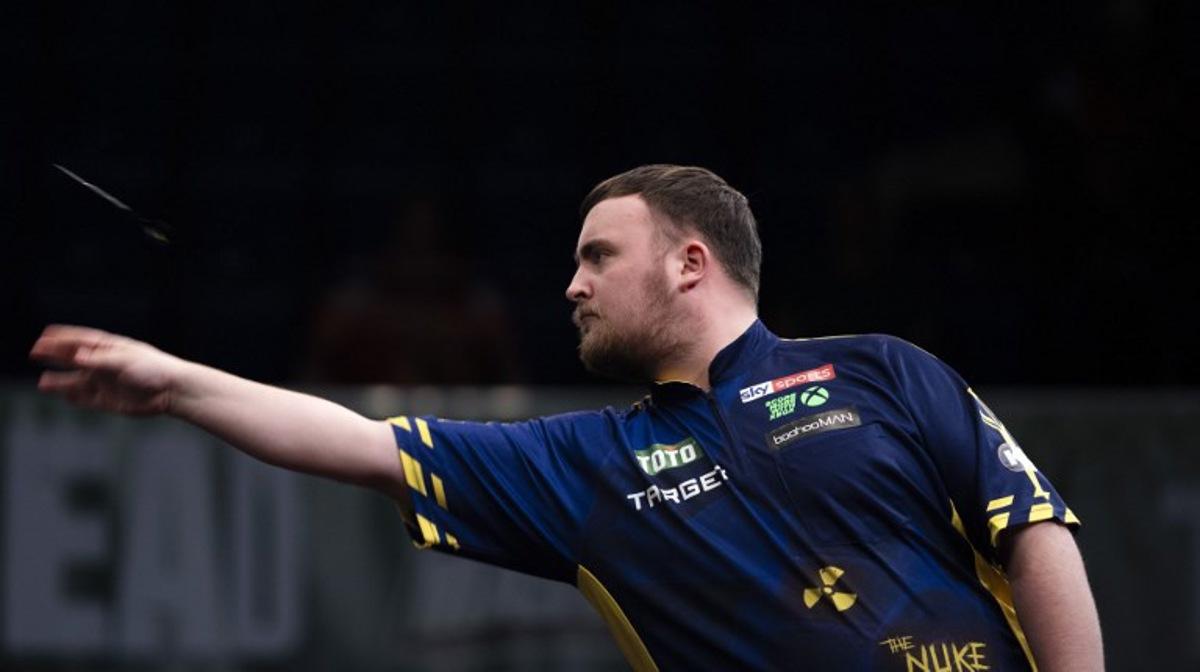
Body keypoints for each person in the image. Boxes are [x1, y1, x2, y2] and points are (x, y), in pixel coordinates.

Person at [30, 165, 1103, 671]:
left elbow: (1033, 529)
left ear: (691, 263)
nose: (571, 286)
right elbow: (359, 443)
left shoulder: (883, 372)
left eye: (598, 256)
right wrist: (175, 385)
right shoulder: (588, 464)